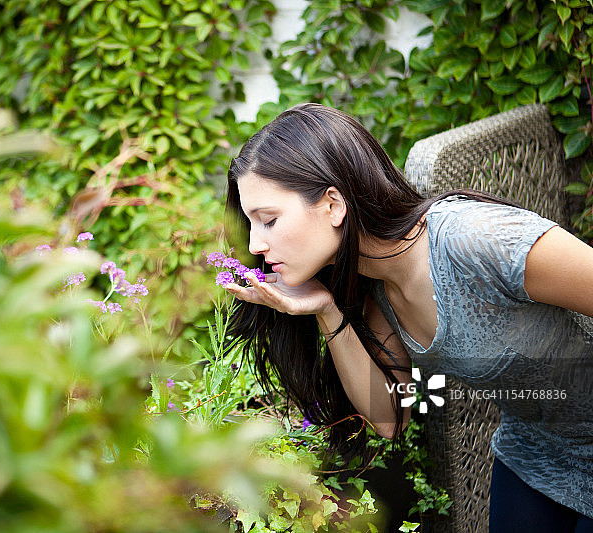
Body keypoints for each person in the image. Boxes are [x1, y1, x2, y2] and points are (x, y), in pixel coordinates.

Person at [222, 103, 593, 532]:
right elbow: (391, 419)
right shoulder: (374, 288)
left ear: (333, 205)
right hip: (536, 451)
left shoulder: (475, 241)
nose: (255, 245)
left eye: (267, 220)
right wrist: (326, 311)